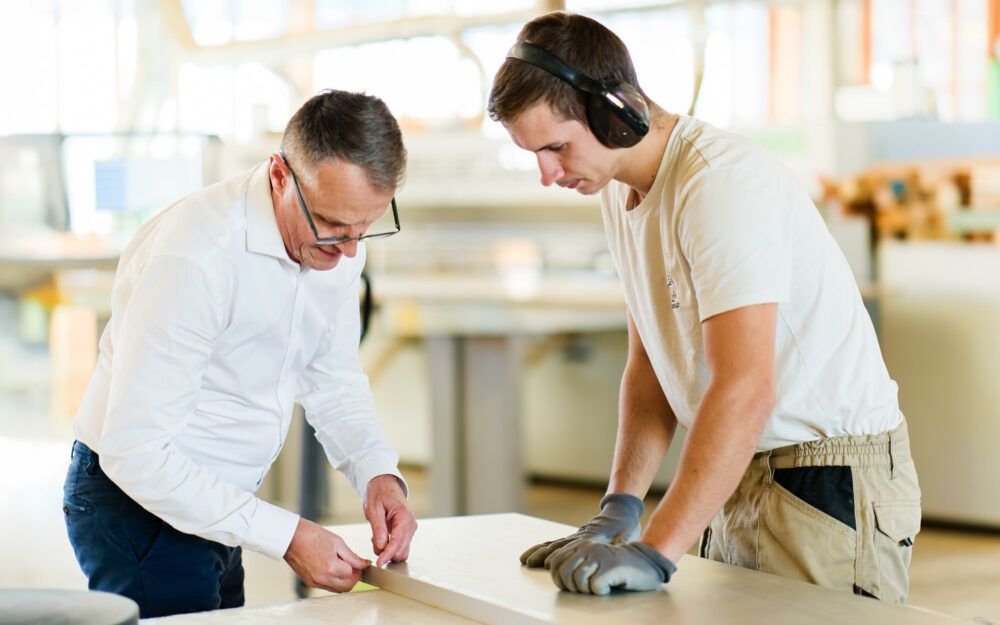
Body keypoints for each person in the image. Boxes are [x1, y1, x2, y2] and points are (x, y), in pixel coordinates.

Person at [488, 12, 920, 602]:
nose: (547, 173)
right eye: (533, 153)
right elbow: (651, 364)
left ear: (615, 113)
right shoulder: (621, 192)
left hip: (822, 477)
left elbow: (744, 388)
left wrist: (655, 550)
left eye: (556, 147)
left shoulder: (719, 183)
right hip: (743, 464)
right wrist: (620, 506)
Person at [63, 89, 417, 618]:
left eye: (364, 228)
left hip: (218, 504)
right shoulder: (196, 256)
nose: (347, 251)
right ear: (279, 175)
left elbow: (333, 377)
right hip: (137, 504)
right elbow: (135, 451)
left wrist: (377, 474)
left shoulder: (338, 240)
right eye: (331, 226)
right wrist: (288, 535)